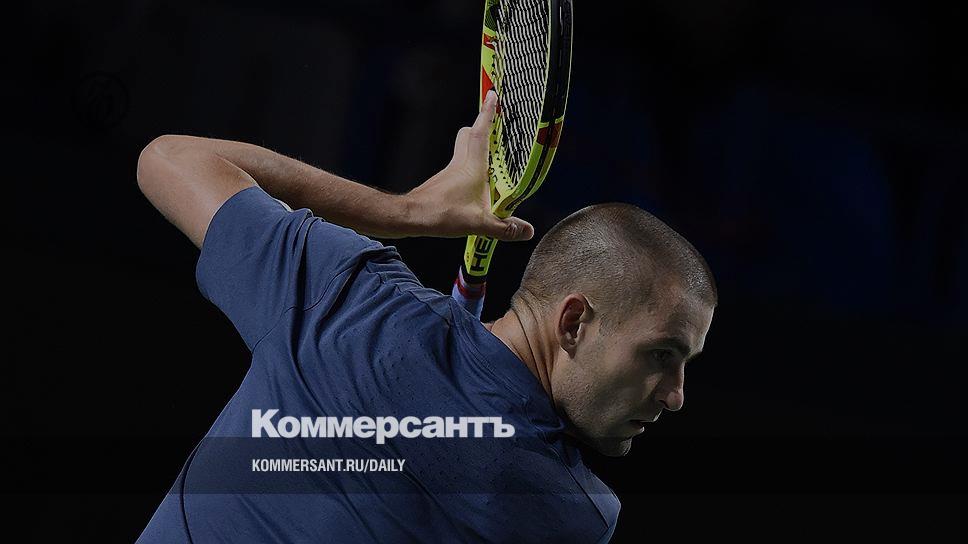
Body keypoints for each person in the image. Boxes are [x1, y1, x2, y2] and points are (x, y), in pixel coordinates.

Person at [135, 91, 716, 543]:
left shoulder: (349, 296)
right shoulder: (570, 516)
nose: (675, 396)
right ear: (573, 324)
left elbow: (172, 159)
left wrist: (407, 209)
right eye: (661, 354)